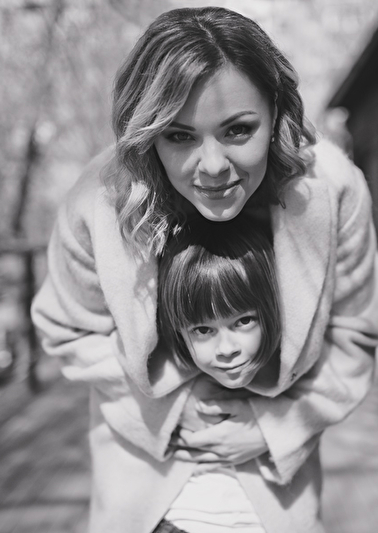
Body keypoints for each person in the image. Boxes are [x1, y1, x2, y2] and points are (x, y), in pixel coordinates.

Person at [31, 6, 378, 533]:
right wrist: (173, 410)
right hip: (144, 494)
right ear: (147, 134)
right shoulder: (98, 201)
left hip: (275, 502)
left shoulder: (332, 191)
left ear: (276, 112)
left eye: (238, 130)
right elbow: (67, 328)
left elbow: (357, 330)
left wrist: (275, 427)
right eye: (179, 136)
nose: (214, 166)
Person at [155, 213, 281, 533]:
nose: (226, 349)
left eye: (243, 321)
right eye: (203, 329)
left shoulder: (290, 377)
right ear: (179, 331)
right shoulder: (167, 387)